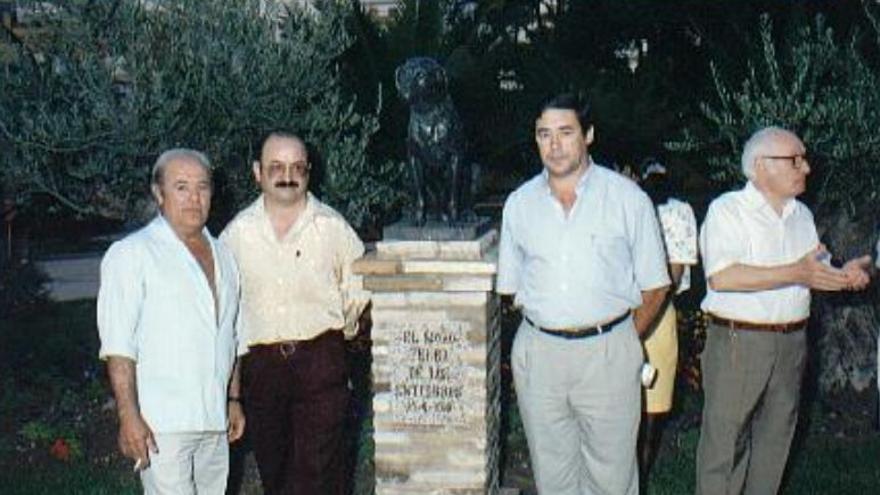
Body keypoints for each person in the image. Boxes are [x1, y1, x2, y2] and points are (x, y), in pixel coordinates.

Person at [497, 93, 671, 495]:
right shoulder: (519, 204)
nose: (554, 145)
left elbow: (656, 284)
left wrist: (624, 337)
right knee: (552, 474)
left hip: (607, 352)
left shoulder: (628, 200)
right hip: (540, 355)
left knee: (611, 477)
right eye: (544, 134)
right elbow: (512, 288)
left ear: (588, 135)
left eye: (565, 132)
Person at [695, 126, 871, 495]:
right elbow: (723, 277)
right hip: (738, 342)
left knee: (776, 440)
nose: (805, 167)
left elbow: (813, 266)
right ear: (761, 166)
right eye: (795, 159)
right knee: (725, 445)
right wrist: (798, 272)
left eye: (803, 159)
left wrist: (844, 274)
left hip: (791, 343)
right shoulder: (728, 211)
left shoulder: (801, 215)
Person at [221, 132, 368, 495]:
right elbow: (225, 309)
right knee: (276, 471)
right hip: (262, 369)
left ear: (309, 172)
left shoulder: (333, 228)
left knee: (319, 473)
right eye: (276, 167)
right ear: (258, 172)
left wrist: (340, 339)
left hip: (320, 363)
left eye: (297, 167)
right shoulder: (236, 235)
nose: (287, 175)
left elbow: (360, 287)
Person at [97, 148, 245, 494]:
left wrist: (233, 399)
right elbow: (119, 346)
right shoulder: (132, 253)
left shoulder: (225, 255)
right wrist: (128, 416)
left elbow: (234, 334)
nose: (194, 198)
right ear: (158, 193)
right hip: (162, 424)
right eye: (181, 187)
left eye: (202, 187)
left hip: (214, 421)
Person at [636, 160, 698, 487]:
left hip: (654, 315)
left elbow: (672, 277)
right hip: (621, 314)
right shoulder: (623, 205)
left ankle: (639, 483)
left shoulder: (677, 212)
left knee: (652, 409)